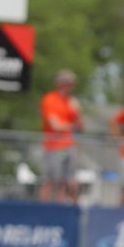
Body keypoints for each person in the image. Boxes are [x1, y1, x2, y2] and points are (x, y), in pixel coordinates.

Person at [40, 69, 84, 203]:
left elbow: (81, 127)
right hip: (54, 147)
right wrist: (72, 126)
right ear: (62, 84)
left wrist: (77, 112)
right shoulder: (50, 100)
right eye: (69, 83)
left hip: (68, 147)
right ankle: (43, 210)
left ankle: (67, 209)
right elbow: (56, 126)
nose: (72, 86)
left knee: (69, 181)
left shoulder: (72, 103)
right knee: (52, 180)